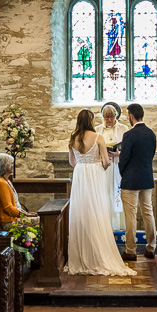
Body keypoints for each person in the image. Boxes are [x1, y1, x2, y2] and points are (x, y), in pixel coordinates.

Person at [65, 110, 134, 277]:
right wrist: (96, 166)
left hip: (80, 175)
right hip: (95, 176)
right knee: (97, 212)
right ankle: (98, 254)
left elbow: (72, 162)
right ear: (90, 121)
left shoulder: (73, 139)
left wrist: (83, 166)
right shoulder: (98, 137)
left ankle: (81, 256)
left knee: (81, 212)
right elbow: (106, 161)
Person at [116, 102, 157, 261]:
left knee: (131, 215)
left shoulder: (129, 135)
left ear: (131, 116)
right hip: (146, 177)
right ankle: (151, 248)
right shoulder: (151, 133)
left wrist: (123, 173)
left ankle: (131, 250)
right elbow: (151, 155)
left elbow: (124, 158)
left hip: (131, 179)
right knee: (148, 212)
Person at [98, 101, 125, 237]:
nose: (109, 120)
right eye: (106, 117)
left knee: (116, 192)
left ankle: (117, 223)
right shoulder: (97, 130)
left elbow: (128, 147)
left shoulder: (123, 128)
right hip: (103, 166)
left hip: (118, 165)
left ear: (116, 116)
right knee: (104, 192)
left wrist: (119, 153)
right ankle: (104, 222)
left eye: (111, 117)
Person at [0, 152, 23, 232]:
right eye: (11, 164)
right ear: (5, 166)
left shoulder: (7, 180)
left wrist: (24, 213)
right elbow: (8, 208)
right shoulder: (1, 183)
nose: (13, 165)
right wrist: (24, 215)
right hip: (7, 221)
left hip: (13, 218)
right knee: (41, 223)